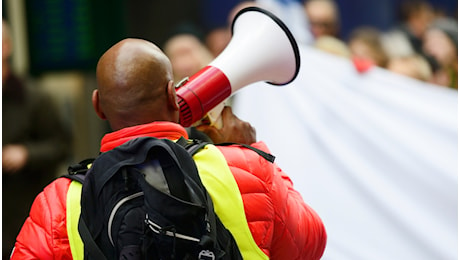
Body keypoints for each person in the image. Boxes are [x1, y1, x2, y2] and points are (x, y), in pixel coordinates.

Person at [11, 38, 327, 259]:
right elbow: (311, 244)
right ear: (172, 95)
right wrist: (252, 150)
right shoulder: (243, 168)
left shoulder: (58, 202)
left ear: (98, 106)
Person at [2, 19, 72, 259]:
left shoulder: (34, 98)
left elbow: (63, 145)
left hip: (24, 216)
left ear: (7, 47)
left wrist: (26, 154)